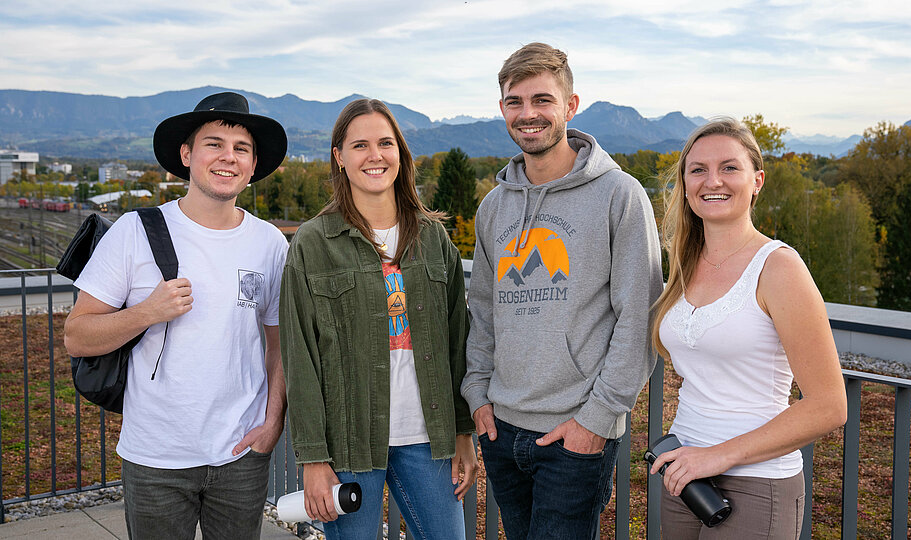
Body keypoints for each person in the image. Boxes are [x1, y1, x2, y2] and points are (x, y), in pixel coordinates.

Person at [63, 92, 289, 539]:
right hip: (155, 457)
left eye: (241, 148)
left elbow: (279, 348)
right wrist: (146, 312)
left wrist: (272, 423)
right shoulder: (134, 231)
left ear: (252, 165)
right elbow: (77, 336)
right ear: (186, 155)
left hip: (241, 456)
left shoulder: (270, 244)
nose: (228, 157)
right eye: (214, 144)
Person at [460, 42, 663, 539]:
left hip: (575, 433)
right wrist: (477, 393)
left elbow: (640, 317)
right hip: (501, 427)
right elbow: (484, 310)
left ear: (570, 106)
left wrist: (596, 420)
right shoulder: (494, 207)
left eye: (542, 100)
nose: (528, 114)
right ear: (503, 108)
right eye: (515, 102)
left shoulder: (620, 195)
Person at [280, 98, 477, 540]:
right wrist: (313, 459)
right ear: (340, 156)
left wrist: (462, 431)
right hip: (349, 441)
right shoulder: (312, 243)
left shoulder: (432, 236)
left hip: (428, 437)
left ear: (400, 154)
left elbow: (457, 343)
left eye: (386, 143)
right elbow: (300, 359)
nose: (375, 156)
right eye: (360, 145)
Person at [648, 117, 847, 539]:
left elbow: (829, 405)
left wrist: (718, 456)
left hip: (758, 484)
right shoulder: (684, 265)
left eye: (729, 167)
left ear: (757, 180)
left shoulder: (779, 268)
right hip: (686, 478)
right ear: (685, 185)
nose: (712, 180)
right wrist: (696, 459)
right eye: (697, 169)